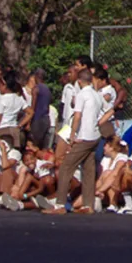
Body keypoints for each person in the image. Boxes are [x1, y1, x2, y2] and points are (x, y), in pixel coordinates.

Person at [43, 68, 103, 215]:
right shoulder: (97, 95)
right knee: (88, 169)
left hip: (84, 136)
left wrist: (72, 135)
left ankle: (60, 204)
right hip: (95, 136)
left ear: (79, 81)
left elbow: (77, 116)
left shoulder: (82, 94)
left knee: (66, 167)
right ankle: (88, 205)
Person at [0, 70, 32, 149]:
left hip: (2, 130)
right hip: (15, 130)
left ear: (4, 85)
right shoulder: (19, 98)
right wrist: (19, 125)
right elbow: (30, 112)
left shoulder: (2, 99)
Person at [29, 69, 52, 149]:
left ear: (36, 77)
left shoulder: (36, 89)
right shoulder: (47, 89)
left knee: (34, 144)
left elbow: (33, 107)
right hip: (46, 119)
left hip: (37, 119)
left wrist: (28, 122)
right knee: (44, 145)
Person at [94, 68, 117, 138]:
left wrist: (95, 88)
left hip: (106, 120)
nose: (95, 84)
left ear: (104, 81)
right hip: (98, 120)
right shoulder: (99, 91)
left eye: (97, 81)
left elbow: (101, 101)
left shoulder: (109, 90)